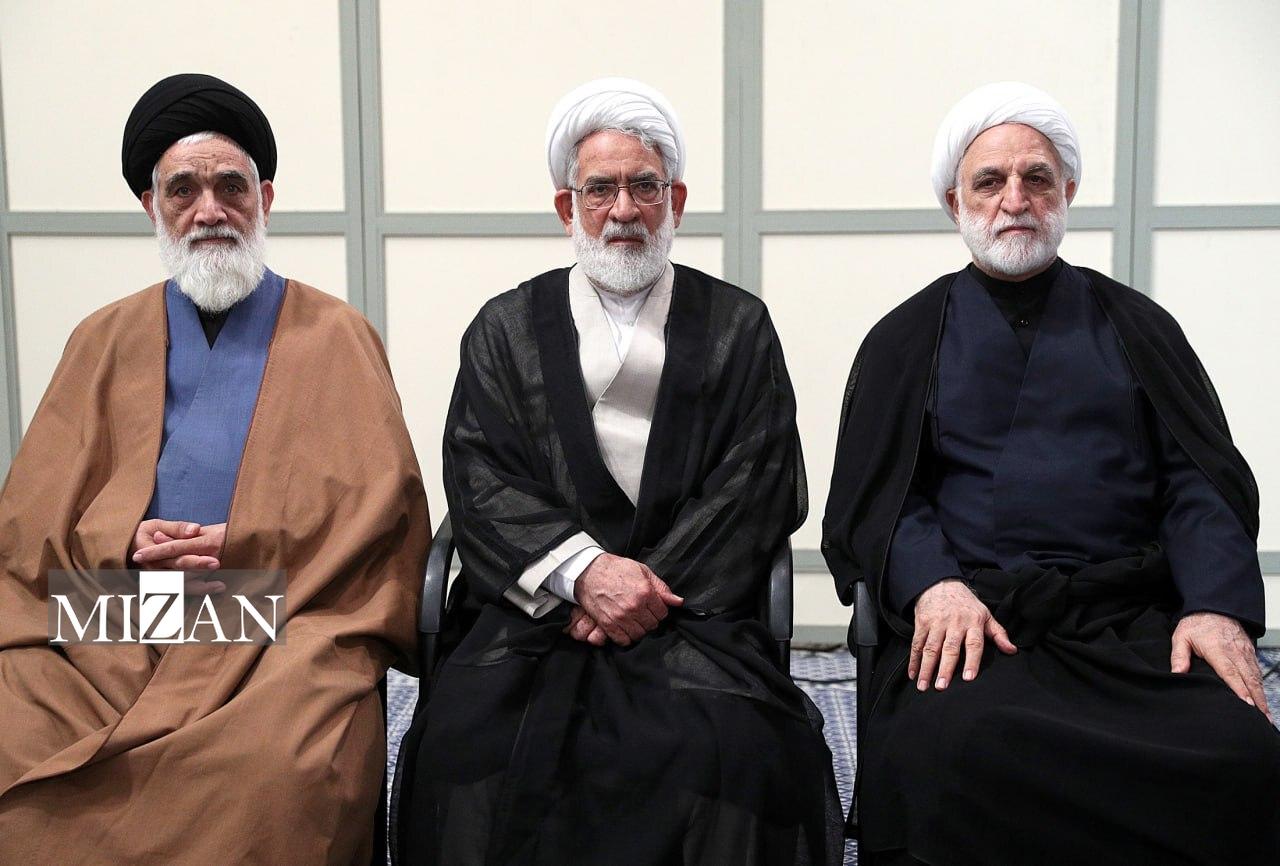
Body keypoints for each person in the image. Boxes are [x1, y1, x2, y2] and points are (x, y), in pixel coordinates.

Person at [822, 81, 1280, 865]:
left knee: (1242, 756)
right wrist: (934, 587)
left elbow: (1199, 484)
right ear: (955, 203)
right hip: (980, 625)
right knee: (952, 756)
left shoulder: (1138, 326)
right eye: (990, 182)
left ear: (1066, 192)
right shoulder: (905, 338)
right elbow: (882, 501)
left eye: (1036, 178)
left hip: (1128, 623)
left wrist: (1213, 605)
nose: (1015, 200)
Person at [395, 77, 841, 865]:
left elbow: (755, 482)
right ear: (566, 208)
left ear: (677, 200)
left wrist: (637, 592)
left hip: (689, 612)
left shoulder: (738, 326)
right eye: (600, 189)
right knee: (465, 744)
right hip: (539, 612)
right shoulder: (504, 328)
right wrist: (583, 575)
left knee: (740, 748)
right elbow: (479, 476)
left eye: (645, 187)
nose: (624, 210)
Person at [0, 74, 429, 864]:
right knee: (16, 725)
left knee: (276, 767)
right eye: (183, 190)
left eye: (231, 187)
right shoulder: (101, 338)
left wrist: (250, 539)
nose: (209, 210)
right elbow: (32, 526)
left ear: (264, 199)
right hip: (117, 612)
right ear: (150, 206)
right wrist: (123, 540)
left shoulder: (337, 334)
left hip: (282, 610)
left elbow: (384, 516)